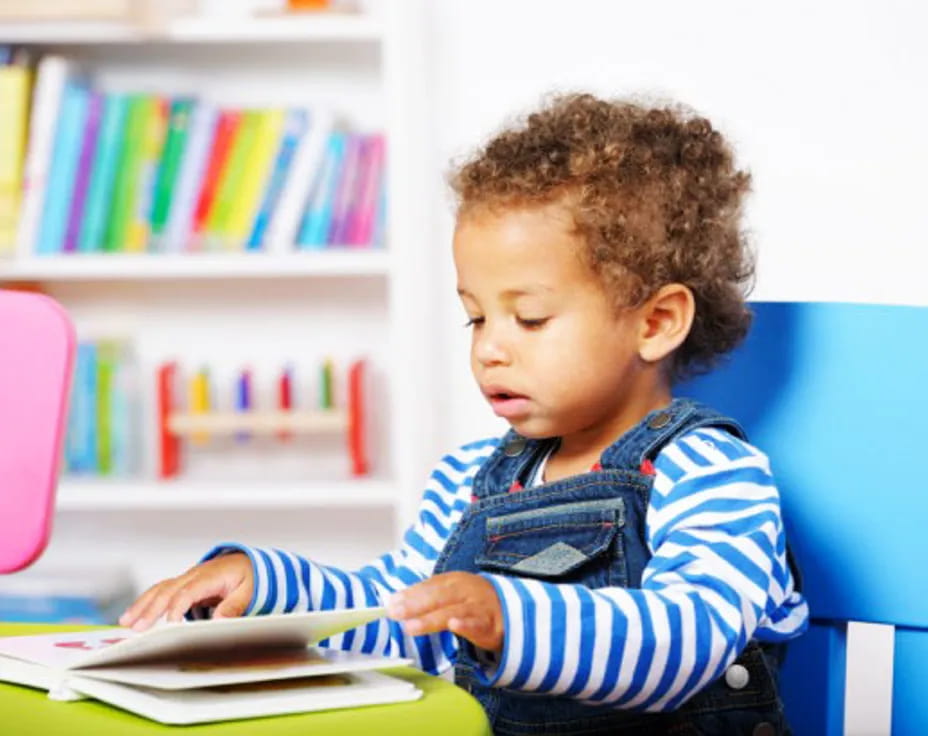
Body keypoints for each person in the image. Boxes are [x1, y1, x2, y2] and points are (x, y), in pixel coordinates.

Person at [120, 93, 808, 735]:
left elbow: (684, 641)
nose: (490, 350)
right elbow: (402, 619)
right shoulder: (471, 480)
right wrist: (265, 586)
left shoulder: (710, 470)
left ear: (656, 322)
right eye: (475, 318)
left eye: (530, 318)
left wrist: (506, 615)